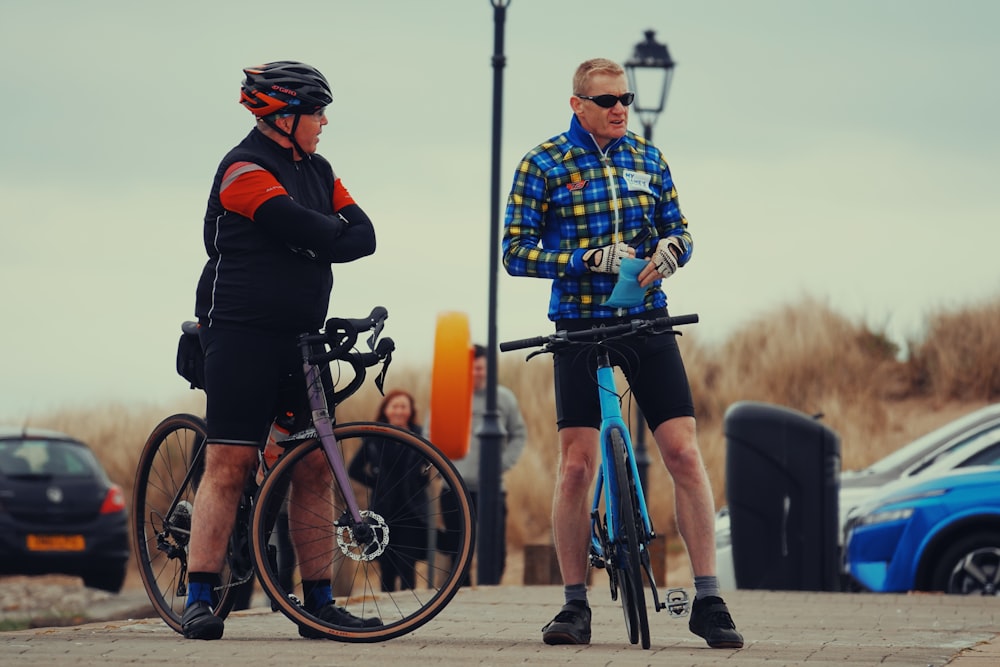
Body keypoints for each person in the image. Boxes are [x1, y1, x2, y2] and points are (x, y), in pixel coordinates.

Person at [501, 58, 743, 649]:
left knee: (684, 453)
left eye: (626, 99)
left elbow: (682, 229)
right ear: (576, 104)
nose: (619, 109)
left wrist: (670, 252)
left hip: (646, 319)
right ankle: (574, 605)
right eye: (606, 100)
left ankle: (708, 598)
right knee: (577, 465)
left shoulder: (648, 158)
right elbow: (515, 251)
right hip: (578, 325)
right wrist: (582, 260)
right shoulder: (544, 163)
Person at [181, 60, 378, 641]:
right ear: (282, 116)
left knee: (314, 464)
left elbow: (362, 236)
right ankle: (198, 594)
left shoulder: (319, 169)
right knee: (231, 462)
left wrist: (326, 232)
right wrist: (327, 232)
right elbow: (299, 226)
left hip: (303, 337)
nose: (323, 123)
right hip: (242, 333)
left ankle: (317, 602)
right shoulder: (243, 169)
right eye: (316, 112)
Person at [446, 344, 527, 584]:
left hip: (492, 489)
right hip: (454, 488)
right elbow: (433, 433)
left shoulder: (504, 398)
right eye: (471, 368)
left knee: (495, 551)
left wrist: (500, 464)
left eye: (480, 368)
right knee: (458, 551)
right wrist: (446, 468)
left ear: (488, 369)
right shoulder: (450, 395)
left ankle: (492, 595)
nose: (475, 373)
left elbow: (518, 434)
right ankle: (460, 596)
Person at [348, 389, 429, 592]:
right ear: (386, 410)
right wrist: (377, 483)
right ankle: (388, 614)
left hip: (411, 511)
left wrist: (418, 483)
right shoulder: (374, 437)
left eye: (404, 406)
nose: (399, 411)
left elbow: (428, 469)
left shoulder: (420, 435)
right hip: (383, 510)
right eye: (395, 406)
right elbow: (354, 469)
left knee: (407, 565)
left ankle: (411, 611)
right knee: (386, 567)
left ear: (410, 410)